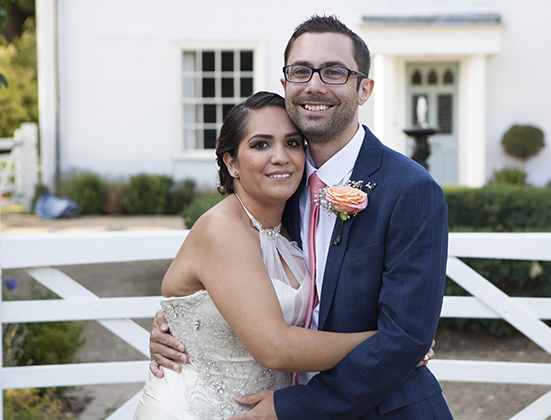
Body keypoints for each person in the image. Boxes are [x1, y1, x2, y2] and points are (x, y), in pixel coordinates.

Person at [151, 15, 451, 420]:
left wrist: (299, 406)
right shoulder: (279, 189)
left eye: (334, 72)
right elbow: (228, 287)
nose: (314, 85)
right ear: (286, 84)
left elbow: (407, 336)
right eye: (301, 71)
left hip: (381, 409)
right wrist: (178, 328)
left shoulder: (411, 190)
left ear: (364, 89)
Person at [134, 91, 380, 419]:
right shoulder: (222, 230)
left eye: (292, 143)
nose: (280, 156)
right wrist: (387, 345)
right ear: (231, 163)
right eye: (261, 144)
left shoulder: (294, 225)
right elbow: (275, 347)